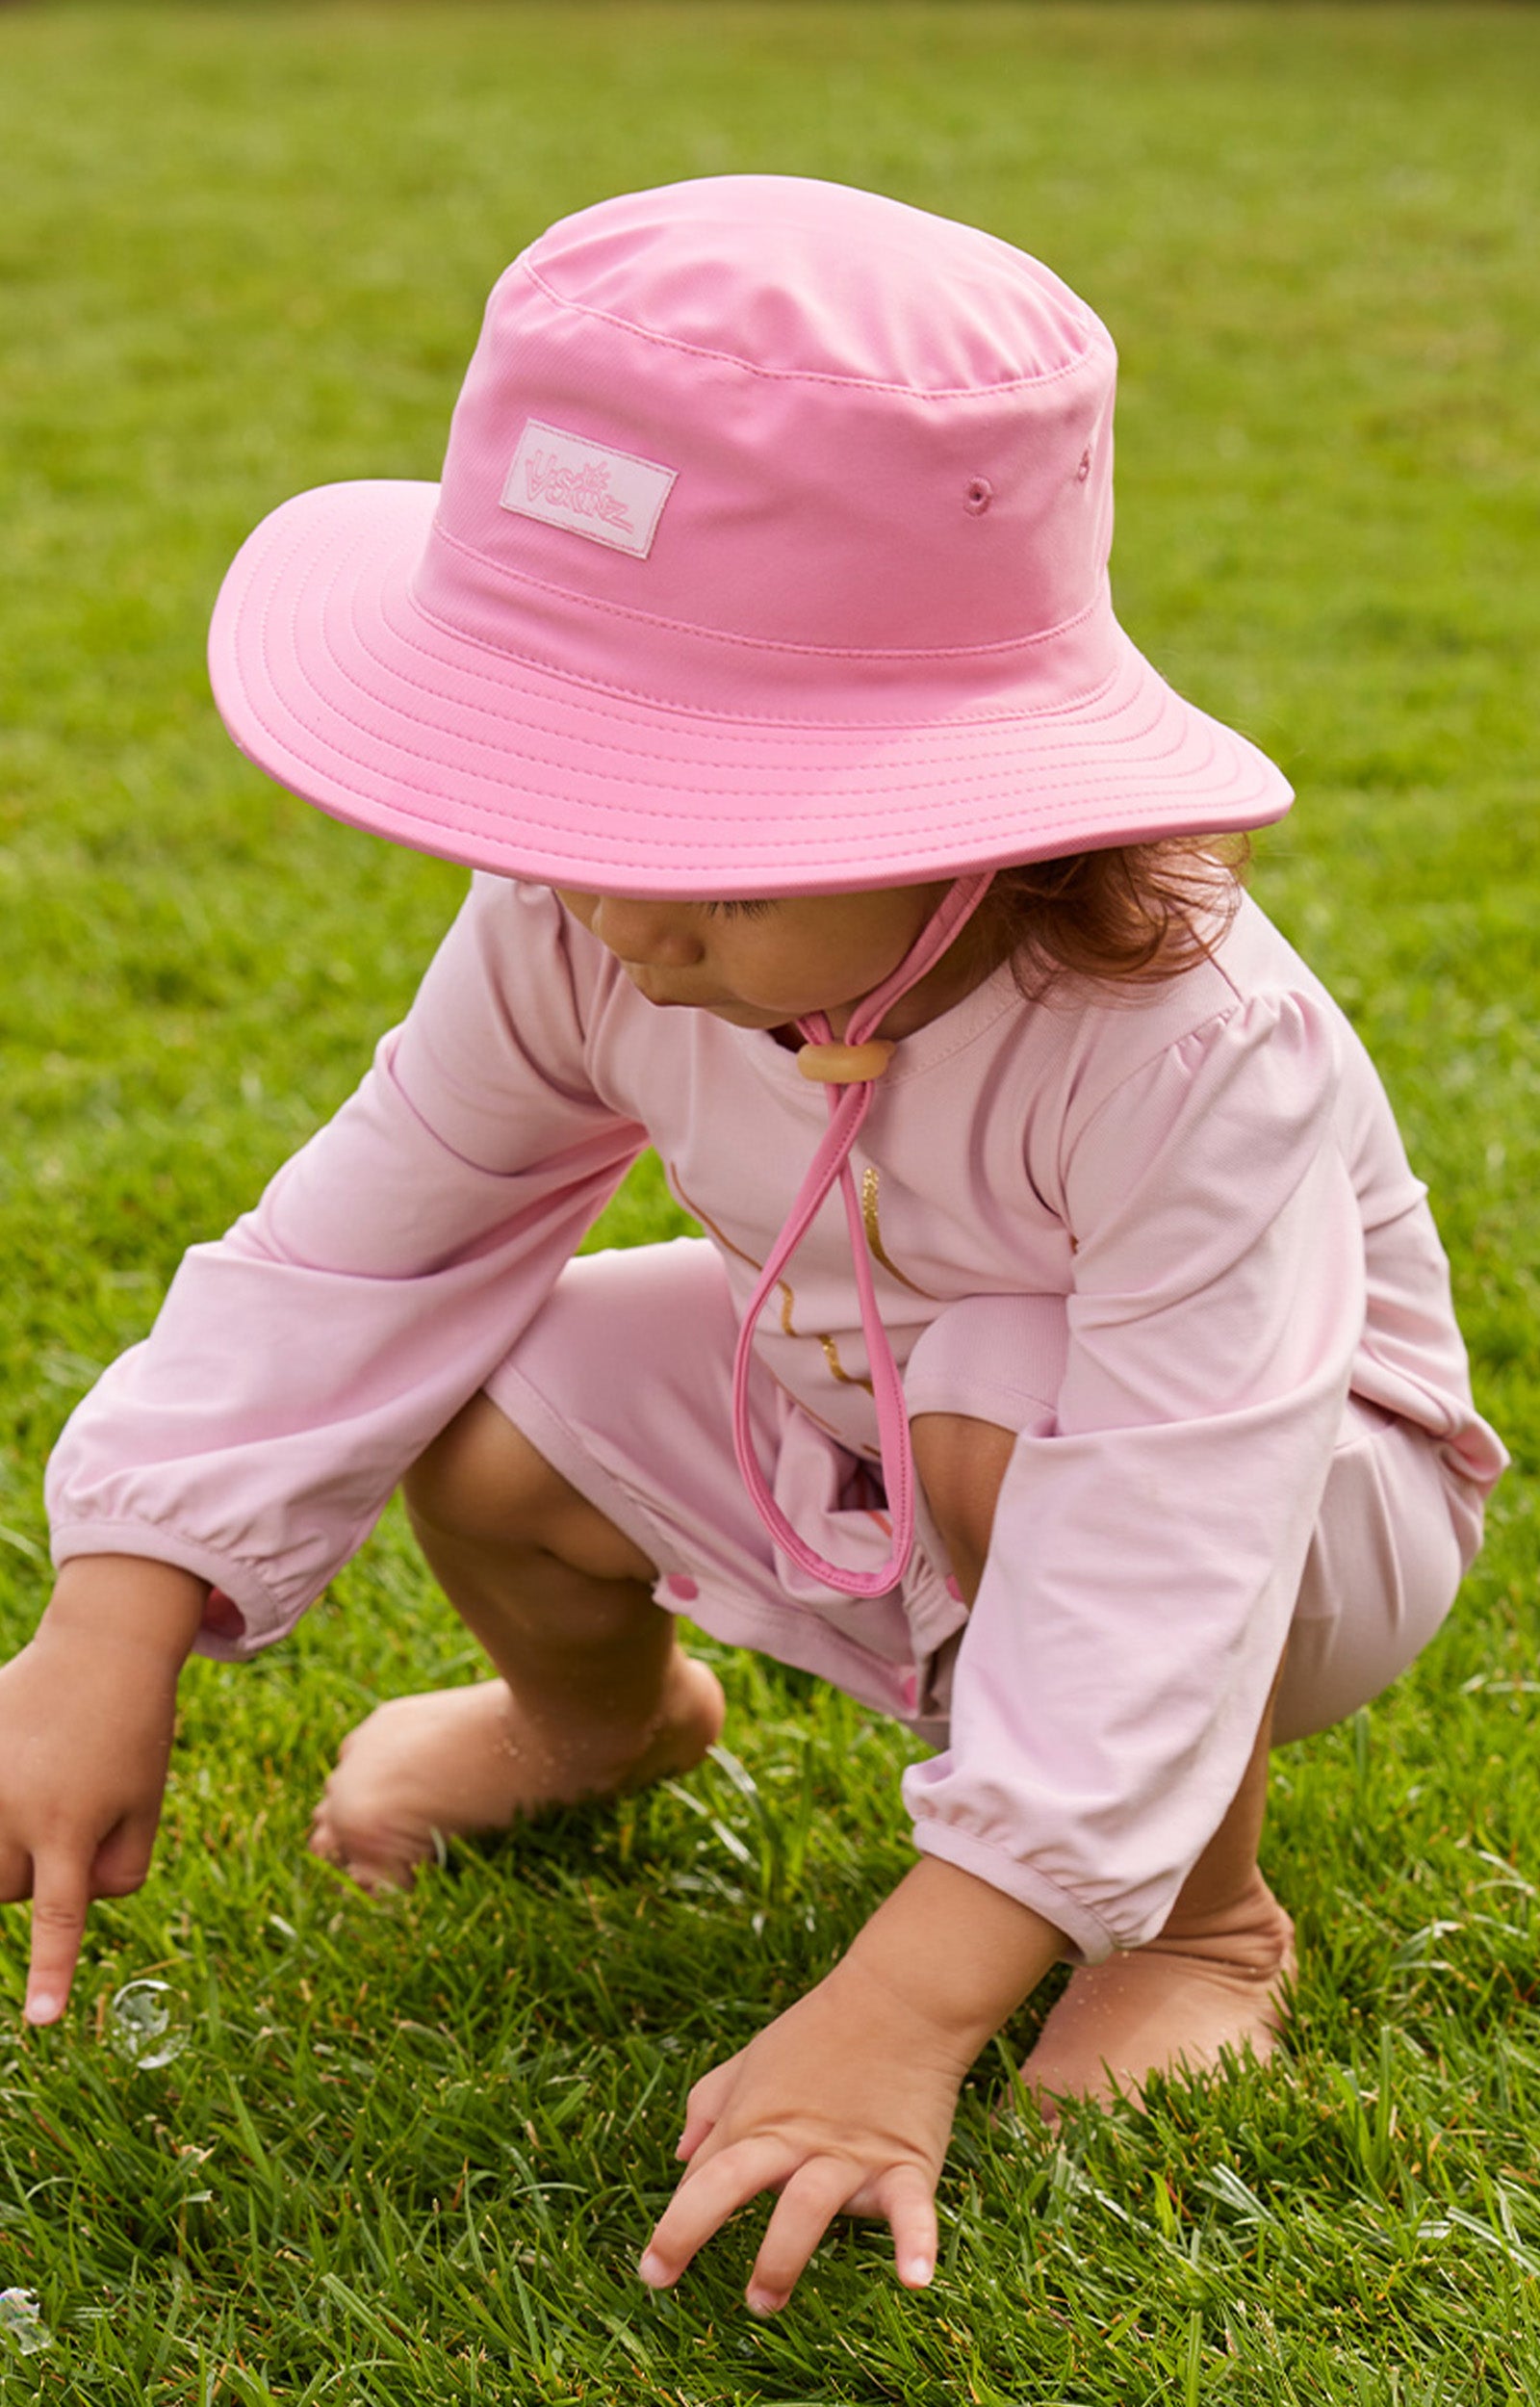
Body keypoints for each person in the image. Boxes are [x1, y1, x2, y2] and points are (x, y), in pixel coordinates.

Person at [3, 177, 1504, 2316]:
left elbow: (1186, 1505)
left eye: (690, 823)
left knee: (1012, 1386)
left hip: (1293, 1509)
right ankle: (594, 1718)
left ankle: (1191, 1915)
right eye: (558, 792)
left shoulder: (1181, 1050)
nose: (611, 909)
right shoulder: (583, 915)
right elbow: (366, 1237)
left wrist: (906, 1998)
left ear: (979, 809)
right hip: (862, 1399)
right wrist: (110, 1612)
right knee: (501, 1407)